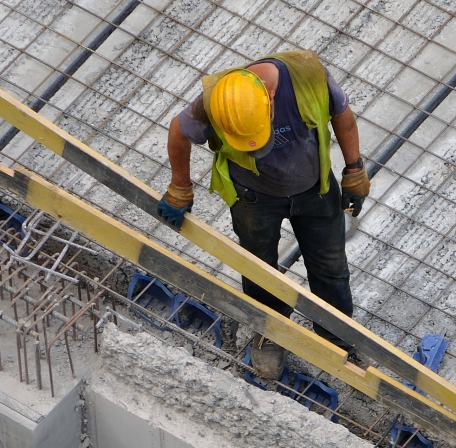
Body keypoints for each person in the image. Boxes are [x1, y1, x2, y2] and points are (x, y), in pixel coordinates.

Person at [158, 50, 370, 379]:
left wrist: (354, 169)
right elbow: (178, 129)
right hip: (254, 197)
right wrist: (180, 186)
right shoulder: (220, 101)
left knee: (330, 266)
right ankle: (270, 332)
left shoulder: (308, 77)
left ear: (270, 97)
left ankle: (337, 342)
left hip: (315, 189)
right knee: (258, 269)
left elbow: (343, 116)